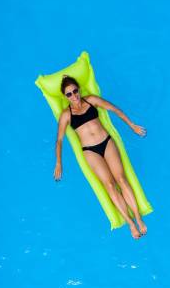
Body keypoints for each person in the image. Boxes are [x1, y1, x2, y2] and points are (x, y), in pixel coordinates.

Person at [54, 75, 147, 239]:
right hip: (90, 151)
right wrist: (59, 163)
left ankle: (138, 218)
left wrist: (132, 125)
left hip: (107, 143)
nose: (74, 96)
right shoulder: (66, 115)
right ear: (65, 96)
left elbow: (114, 109)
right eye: (69, 94)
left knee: (121, 179)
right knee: (109, 185)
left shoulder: (91, 100)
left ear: (79, 90)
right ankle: (130, 223)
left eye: (75, 91)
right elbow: (60, 140)